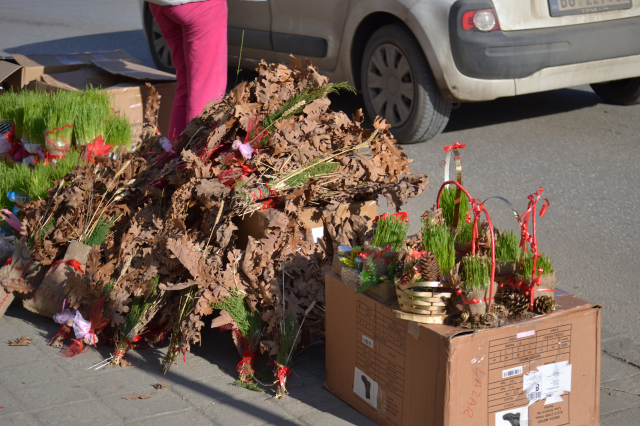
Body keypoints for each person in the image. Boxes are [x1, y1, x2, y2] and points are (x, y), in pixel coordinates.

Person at [146, 0, 227, 140]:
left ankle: (175, 156)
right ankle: (197, 156)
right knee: (206, 90)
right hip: (199, 5)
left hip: (160, 5)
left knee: (186, 86)